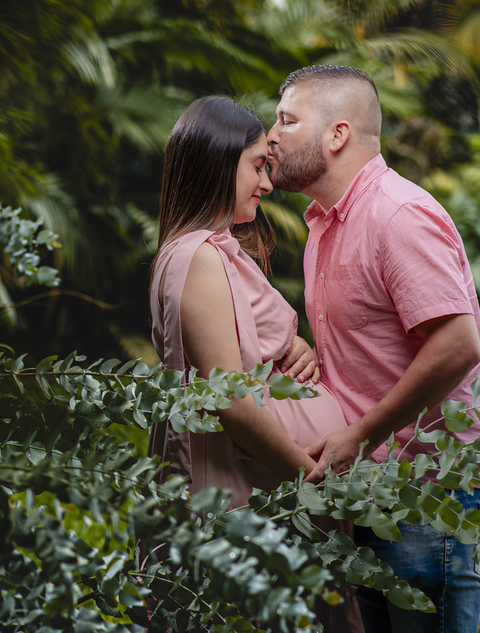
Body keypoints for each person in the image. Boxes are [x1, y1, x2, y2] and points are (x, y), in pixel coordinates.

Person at [266, 64, 480, 633]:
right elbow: (380, 338)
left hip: (430, 491)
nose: (271, 135)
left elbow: (456, 345)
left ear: (337, 134)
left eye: (286, 120)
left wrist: (361, 433)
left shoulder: (397, 214)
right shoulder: (323, 224)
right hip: (367, 486)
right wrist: (317, 356)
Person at [146, 95, 360, 632]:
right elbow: (231, 401)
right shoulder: (198, 256)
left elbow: (242, 348)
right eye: (258, 166)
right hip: (240, 486)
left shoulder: (211, 250)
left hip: (262, 485)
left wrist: (294, 349)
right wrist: (306, 477)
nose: (268, 184)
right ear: (218, 162)